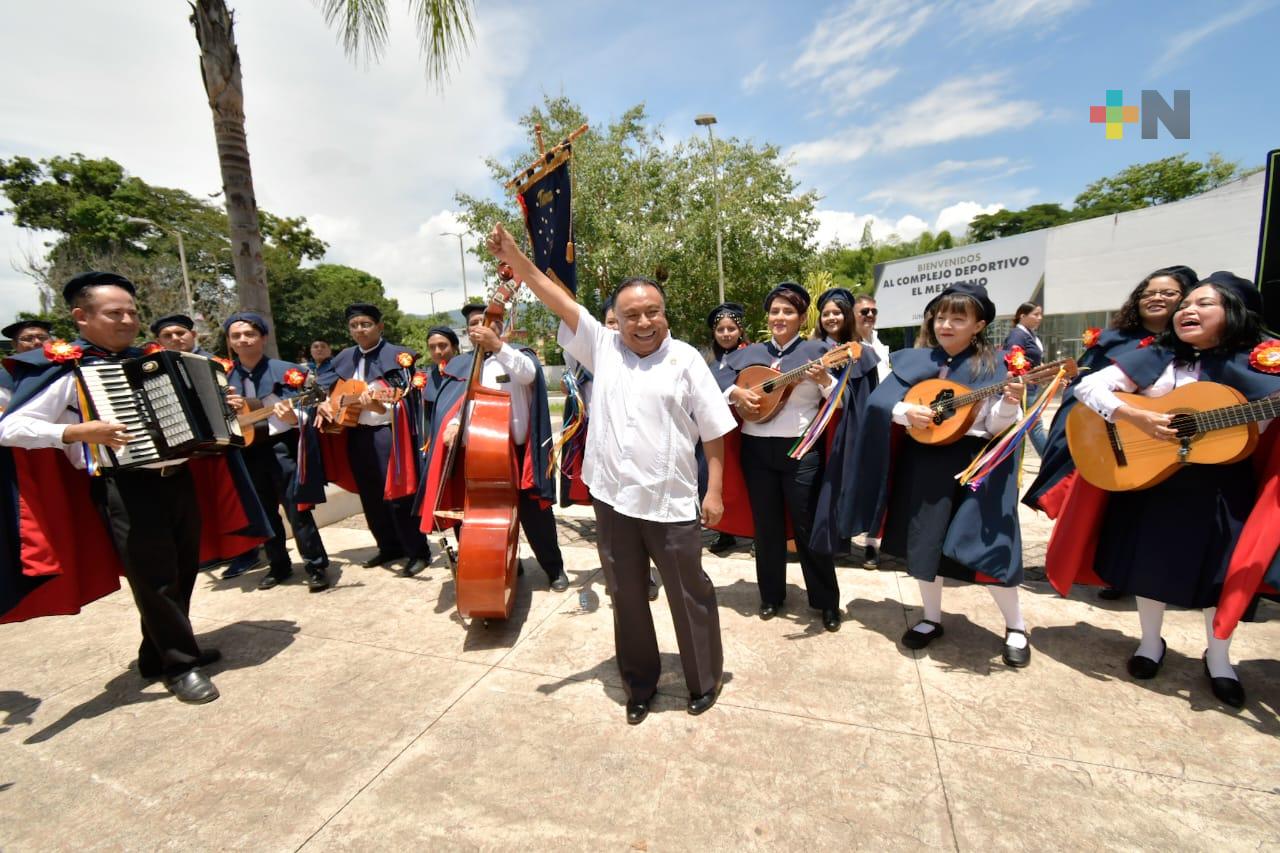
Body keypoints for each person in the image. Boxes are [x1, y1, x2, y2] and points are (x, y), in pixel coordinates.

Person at [487, 222, 734, 725]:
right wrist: (515, 256)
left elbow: (714, 432)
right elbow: (555, 297)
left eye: (652, 312)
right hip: (614, 502)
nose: (643, 322)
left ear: (665, 314)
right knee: (626, 596)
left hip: (671, 503)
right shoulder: (603, 348)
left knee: (691, 594)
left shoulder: (687, 359)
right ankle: (638, 685)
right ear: (615, 321)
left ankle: (703, 679)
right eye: (631, 315)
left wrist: (716, 493)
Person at [0, 272, 269, 703]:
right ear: (80, 317)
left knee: (183, 569)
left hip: (179, 478)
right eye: (114, 313)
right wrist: (74, 433)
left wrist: (226, 408)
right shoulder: (70, 370)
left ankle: (154, 653)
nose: (127, 320)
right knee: (154, 579)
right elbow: (10, 427)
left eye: (131, 312)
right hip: (126, 487)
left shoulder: (155, 357)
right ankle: (181, 665)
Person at [1051, 272, 1280, 708]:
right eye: (1186, 304)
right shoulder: (1161, 356)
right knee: (1149, 567)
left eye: (1204, 304)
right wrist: (1131, 415)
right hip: (1154, 480)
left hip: (1223, 488)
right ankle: (1150, 643)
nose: (1188, 311)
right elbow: (1089, 385)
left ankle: (1219, 658)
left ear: (1235, 313)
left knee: (1219, 574)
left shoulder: (1262, 362)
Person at [843, 283, 1031, 667]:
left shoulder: (997, 365)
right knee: (924, 541)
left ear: (978, 325)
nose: (946, 324)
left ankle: (1015, 626)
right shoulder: (915, 361)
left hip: (976, 463)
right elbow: (881, 403)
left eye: (958, 318)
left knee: (989, 543)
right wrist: (905, 412)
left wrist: (1010, 403)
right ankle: (931, 618)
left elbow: (996, 426)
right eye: (941, 316)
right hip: (925, 460)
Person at [719, 282, 848, 632]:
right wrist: (736, 394)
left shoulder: (818, 350)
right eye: (775, 311)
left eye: (788, 311)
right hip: (756, 450)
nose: (780, 317)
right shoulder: (749, 353)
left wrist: (823, 379)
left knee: (808, 526)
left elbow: (840, 397)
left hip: (801, 450)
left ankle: (825, 602)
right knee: (767, 527)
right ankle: (771, 595)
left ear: (802, 317)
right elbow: (717, 381)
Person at [425, 302, 568, 592]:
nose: (480, 327)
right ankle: (507, 565)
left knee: (536, 517)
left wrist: (498, 347)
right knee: (491, 517)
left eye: (486, 321)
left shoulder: (518, 355)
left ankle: (554, 569)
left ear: (500, 325)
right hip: (480, 454)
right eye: (474, 324)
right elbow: (459, 403)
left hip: (518, 453)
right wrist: (453, 423)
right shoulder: (461, 365)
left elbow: (528, 375)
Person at [317, 303, 432, 577]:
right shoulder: (344, 357)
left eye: (366, 324)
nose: (360, 330)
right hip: (356, 435)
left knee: (400, 495)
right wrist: (325, 403)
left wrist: (380, 406)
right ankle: (388, 546)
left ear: (380, 327)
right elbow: (330, 391)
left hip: (388, 434)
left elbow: (408, 398)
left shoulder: (399, 357)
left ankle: (418, 551)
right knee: (370, 496)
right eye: (354, 325)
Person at [223, 312, 331, 591]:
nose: (243, 340)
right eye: (236, 336)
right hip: (246, 449)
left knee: (297, 509)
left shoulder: (288, 371)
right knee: (263, 512)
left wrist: (295, 418)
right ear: (230, 342)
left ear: (263, 337)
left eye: (249, 334)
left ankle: (315, 565)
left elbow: (312, 407)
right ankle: (278, 565)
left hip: (282, 447)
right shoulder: (223, 377)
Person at [703, 301, 748, 554]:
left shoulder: (752, 355)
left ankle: (753, 532)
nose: (726, 334)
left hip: (744, 428)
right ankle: (725, 531)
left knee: (746, 480)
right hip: (718, 430)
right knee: (721, 480)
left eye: (731, 328)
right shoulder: (709, 361)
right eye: (720, 329)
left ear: (740, 330)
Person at [853, 294, 890, 568]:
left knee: (879, 483)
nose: (869, 315)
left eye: (873, 311)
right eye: (864, 310)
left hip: (885, 422)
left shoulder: (882, 347)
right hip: (854, 423)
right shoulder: (848, 347)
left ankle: (871, 543)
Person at [1002, 302, 1048, 457]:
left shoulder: (1029, 334)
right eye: (1035, 314)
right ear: (1022, 315)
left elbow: (1031, 359)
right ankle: (1050, 462)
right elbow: (1013, 362)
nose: (1039, 318)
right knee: (1034, 425)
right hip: (1023, 387)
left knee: (1033, 424)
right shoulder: (1018, 335)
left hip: (1031, 385)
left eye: (1040, 314)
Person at [0, 319, 54, 409]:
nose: (37, 342)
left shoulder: (68, 367)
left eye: (42, 337)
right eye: (28, 339)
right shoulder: (5, 377)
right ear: (14, 345)